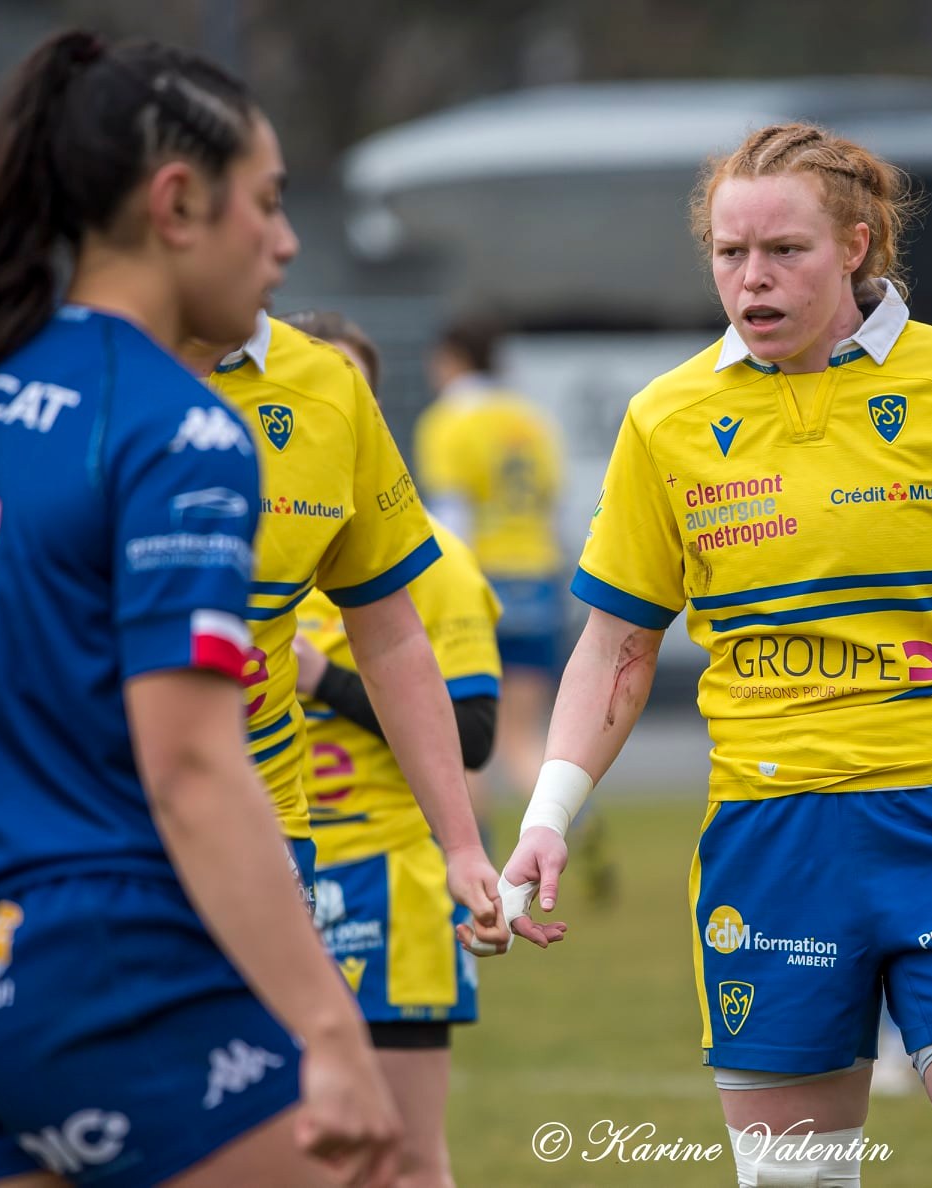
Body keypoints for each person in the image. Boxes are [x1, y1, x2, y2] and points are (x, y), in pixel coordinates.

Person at [501, 123, 932, 1187]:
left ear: (856, 245)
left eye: (783, 250)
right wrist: (547, 817)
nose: (752, 278)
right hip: (772, 847)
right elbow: (614, 647)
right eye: (729, 254)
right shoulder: (666, 420)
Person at [0, 31, 407, 1187]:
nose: (286, 240)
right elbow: (192, 770)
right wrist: (329, 1029)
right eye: (265, 204)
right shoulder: (182, 429)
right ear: (177, 205)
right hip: (97, 965)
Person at [283, 308, 544, 1188]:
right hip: (272, 878)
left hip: (390, 887)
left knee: (400, 1158)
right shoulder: (252, 554)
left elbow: (473, 734)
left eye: (349, 386)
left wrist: (325, 683)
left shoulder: (438, 565)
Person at [189, 307, 504, 939]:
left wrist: (464, 846)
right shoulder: (81, 370)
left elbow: (402, 651)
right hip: (101, 814)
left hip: (288, 833)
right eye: (260, 208)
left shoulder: (329, 393)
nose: (282, 241)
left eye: (278, 206)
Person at [414, 320, 573, 843]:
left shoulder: (447, 423)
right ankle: (571, 820)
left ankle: (473, 852)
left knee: (466, 740)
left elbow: (452, 517)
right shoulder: (532, 422)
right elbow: (555, 506)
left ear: (452, 358)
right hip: (537, 581)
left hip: (478, 586)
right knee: (521, 737)